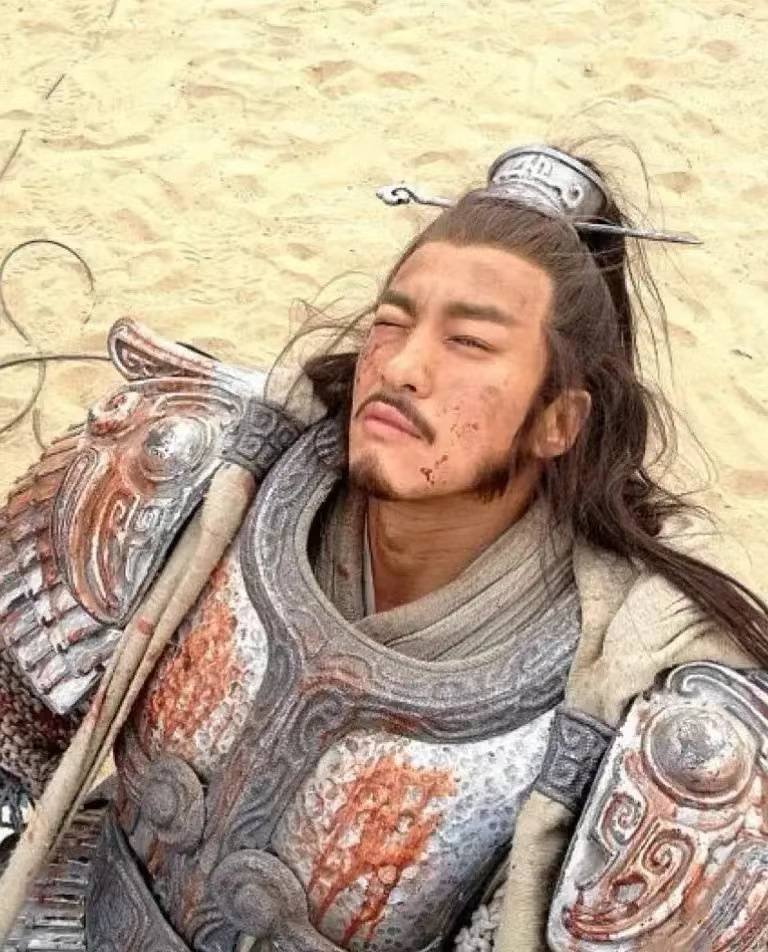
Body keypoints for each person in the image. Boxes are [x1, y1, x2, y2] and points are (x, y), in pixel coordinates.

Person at [0, 144, 766, 952]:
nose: (401, 365)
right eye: (391, 323)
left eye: (468, 343)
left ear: (558, 421)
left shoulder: (643, 705)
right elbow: (12, 729)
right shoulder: (196, 471)